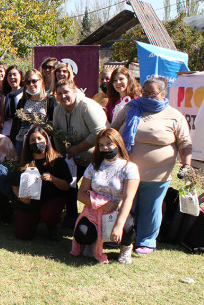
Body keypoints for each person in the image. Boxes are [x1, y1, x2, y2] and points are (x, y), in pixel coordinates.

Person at [111, 77, 192, 255]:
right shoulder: (131, 107)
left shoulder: (175, 116)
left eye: (152, 93)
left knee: (151, 207)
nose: (146, 96)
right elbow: (114, 129)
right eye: (144, 92)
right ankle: (120, 237)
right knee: (125, 204)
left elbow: (185, 144)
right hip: (127, 171)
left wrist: (186, 165)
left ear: (163, 93)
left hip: (157, 175)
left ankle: (146, 241)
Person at [71, 128, 139, 264]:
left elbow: (128, 199)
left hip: (117, 210)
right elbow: (81, 194)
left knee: (126, 227)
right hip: (94, 211)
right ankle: (92, 242)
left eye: (109, 143)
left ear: (118, 144)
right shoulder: (93, 166)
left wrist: (119, 225)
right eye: (101, 145)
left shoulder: (129, 168)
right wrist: (103, 204)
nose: (105, 148)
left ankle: (125, 247)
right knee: (82, 233)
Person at [52, 79, 107, 226]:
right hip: (73, 157)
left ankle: (97, 219)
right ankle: (71, 216)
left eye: (66, 92)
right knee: (69, 183)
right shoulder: (58, 110)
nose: (63, 96)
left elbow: (99, 132)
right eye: (59, 94)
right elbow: (56, 133)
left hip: (96, 156)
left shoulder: (87, 107)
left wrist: (77, 148)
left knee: (95, 189)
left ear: (75, 91)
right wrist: (61, 153)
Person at [14, 126, 71, 240]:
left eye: (40, 139)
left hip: (51, 200)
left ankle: (52, 226)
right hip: (31, 202)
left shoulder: (57, 160)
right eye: (32, 140)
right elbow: (14, 184)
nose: (36, 142)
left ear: (46, 140)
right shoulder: (23, 162)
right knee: (22, 235)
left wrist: (53, 179)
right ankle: (33, 219)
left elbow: (66, 186)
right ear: (28, 143)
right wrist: (20, 197)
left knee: (49, 213)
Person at [9, 69, 56, 154]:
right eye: (28, 82)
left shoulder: (50, 100)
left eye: (34, 81)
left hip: (41, 143)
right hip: (22, 142)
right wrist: (12, 143)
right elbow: (16, 124)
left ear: (41, 81)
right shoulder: (23, 101)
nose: (31, 84)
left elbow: (55, 122)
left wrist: (42, 125)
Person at [1, 65, 24, 136]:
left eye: (15, 74)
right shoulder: (5, 95)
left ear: (20, 76)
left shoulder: (25, 93)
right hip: (6, 131)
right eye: (9, 75)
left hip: (20, 131)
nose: (12, 77)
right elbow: (2, 114)